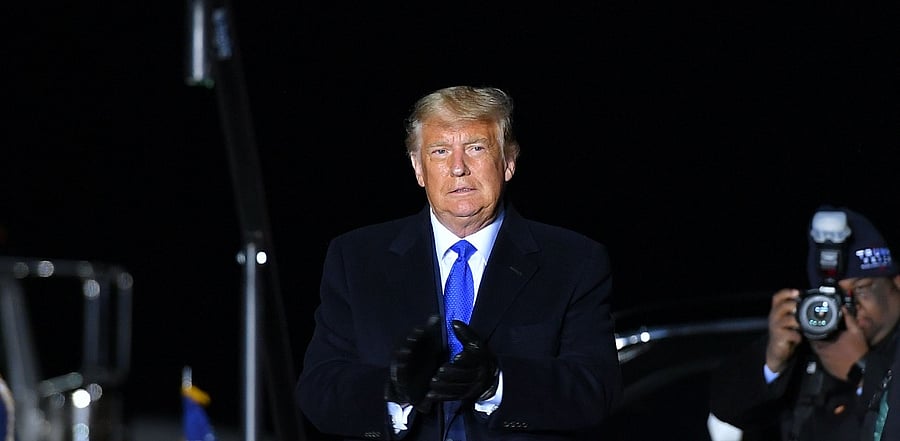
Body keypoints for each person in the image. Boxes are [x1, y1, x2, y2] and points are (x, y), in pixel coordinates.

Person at [295, 85, 622, 440]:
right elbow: (318, 388)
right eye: (440, 151)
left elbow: (597, 390)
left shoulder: (573, 260)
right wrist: (394, 391)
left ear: (508, 162)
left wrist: (496, 382)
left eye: (476, 148)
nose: (457, 168)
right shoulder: (356, 258)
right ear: (418, 168)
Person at [708, 205, 900, 441]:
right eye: (835, 298)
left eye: (861, 289)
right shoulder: (807, 346)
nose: (848, 309)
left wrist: (862, 371)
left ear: (896, 283)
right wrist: (772, 361)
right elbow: (728, 409)